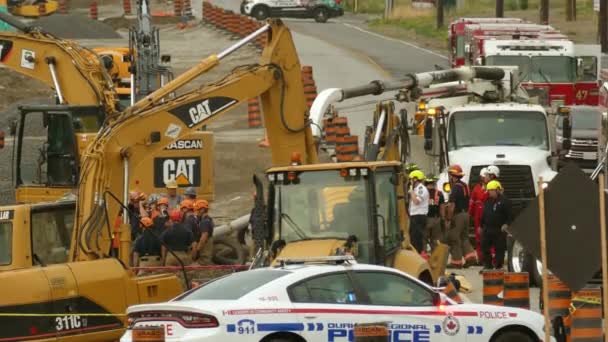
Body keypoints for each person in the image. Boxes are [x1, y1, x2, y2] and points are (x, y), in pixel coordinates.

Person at [445, 164, 477, 268]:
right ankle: (470, 257)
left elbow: (452, 205)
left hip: (458, 216)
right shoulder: (465, 186)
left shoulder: (455, 187)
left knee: (454, 237)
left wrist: (449, 218)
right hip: (466, 215)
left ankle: (456, 262)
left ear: (452, 175)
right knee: (464, 237)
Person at [481, 180, 513, 270]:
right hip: (487, 229)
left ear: (497, 190)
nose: (490, 192)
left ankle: (498, 265)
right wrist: (481, 225)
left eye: (491, 190)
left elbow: (510, 215)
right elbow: (484, 214)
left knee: (499, 248)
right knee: (484, 247)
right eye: (489, 190)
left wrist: (507, 224)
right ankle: (488, 265)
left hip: (499, 229)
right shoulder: (487, 201)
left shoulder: (505, 201)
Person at [469, 167, 489, 262]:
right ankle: (481, 258)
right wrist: (470, 215)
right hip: (478, 217)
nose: (487, 178)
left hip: (489, 216)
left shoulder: (491, 188)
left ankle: (490, 259)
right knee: (479, 238)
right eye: (485, 176)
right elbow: (472, 203)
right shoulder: (476, 188)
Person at [408, 170, 429, 254]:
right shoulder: (416, 189)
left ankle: (418, 254)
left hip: (419, 217)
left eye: (411, 179)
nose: (410, 181)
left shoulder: (421, 189)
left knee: (417, 239)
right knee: (413, 237)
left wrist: (412, 193)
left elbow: (416, 201)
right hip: (414, 216)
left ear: (415, 179)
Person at [424, 175, 445, 256]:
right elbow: (442, 208)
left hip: (425, 219)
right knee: (435, 241)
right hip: (436, 219)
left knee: (424, 240)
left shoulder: (423, 193)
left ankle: (424, 257)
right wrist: (442, 219)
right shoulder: (439, 194)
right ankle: (435, 258)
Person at [193, 199, 215, 265]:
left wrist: (197, 249)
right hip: (208, 251)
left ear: (202, 210)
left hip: (204, 255)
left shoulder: (204, 222)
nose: (196, 212)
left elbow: (204, 237)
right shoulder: (209, 219)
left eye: (197, 210)